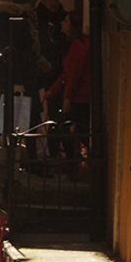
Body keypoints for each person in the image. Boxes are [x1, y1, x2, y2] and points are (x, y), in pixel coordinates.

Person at [0, 0, 50, 160]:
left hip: (18, 77)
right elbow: (21, 51)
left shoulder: (12, 20)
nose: (33, 8)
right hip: (19, 78)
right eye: (31, 5)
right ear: (22, 5)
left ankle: (17, 159)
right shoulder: (17, 21)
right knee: (25, 120)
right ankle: (27, 161)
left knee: (17, 119)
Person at [44, 9, 90, 157]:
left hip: (79, 98)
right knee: (69, 129)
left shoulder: (79, 45)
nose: (62, 23)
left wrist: (67, 97)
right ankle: (72, 161)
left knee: (60, 127)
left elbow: (75, 74)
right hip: (76, 97)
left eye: (67, 21)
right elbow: (66, 74)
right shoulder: (74, 45)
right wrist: (53, 90)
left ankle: (72, 161)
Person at [36, 0, 68, 155]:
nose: (55, 3)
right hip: (41, 70)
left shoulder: (63, 18)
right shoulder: (36, 19)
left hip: (58, 71)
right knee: (36, 109)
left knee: (56, 112)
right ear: (44, 1)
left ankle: (53, 150)